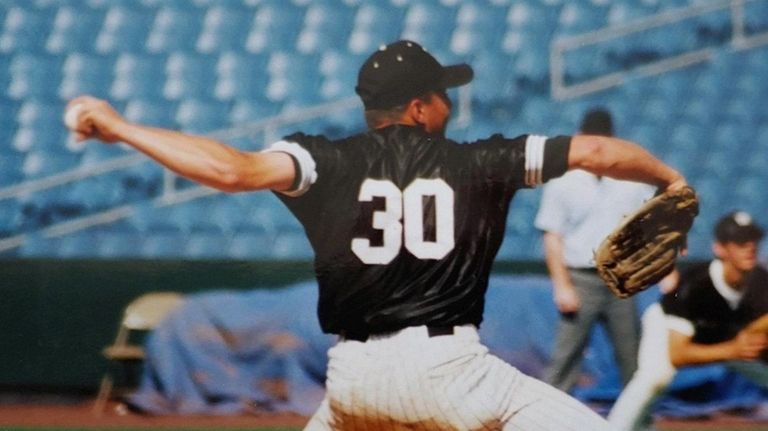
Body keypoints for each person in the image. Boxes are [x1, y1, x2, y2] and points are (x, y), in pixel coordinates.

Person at [66, 40, 686, 430]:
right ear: (420, 108)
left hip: (352, 384)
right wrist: (670, 181)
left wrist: (120, 127)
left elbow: (230, 170)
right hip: (453, 375)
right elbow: (600, 150)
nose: (450, 101)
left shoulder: (323, 161)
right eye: (442, 93)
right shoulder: (483, 161)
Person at [608, 211, 768, 431]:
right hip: (668, 327)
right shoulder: (695, 285)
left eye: (753, 239)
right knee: (655, 377)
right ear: (719, 248)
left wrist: (749, 335)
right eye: (739, 241)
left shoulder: (761, 280)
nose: (749, 246)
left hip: (725, 335)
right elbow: (678, 354)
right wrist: (733, 349)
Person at [534, 108, 655, 393]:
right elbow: (553, 236)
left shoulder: (631, 178)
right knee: (564, 360)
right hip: (580, 278)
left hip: (620, 278)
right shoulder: (563, 180)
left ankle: (639, 424)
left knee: (632, 359)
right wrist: (562, 285)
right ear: (579, 137)